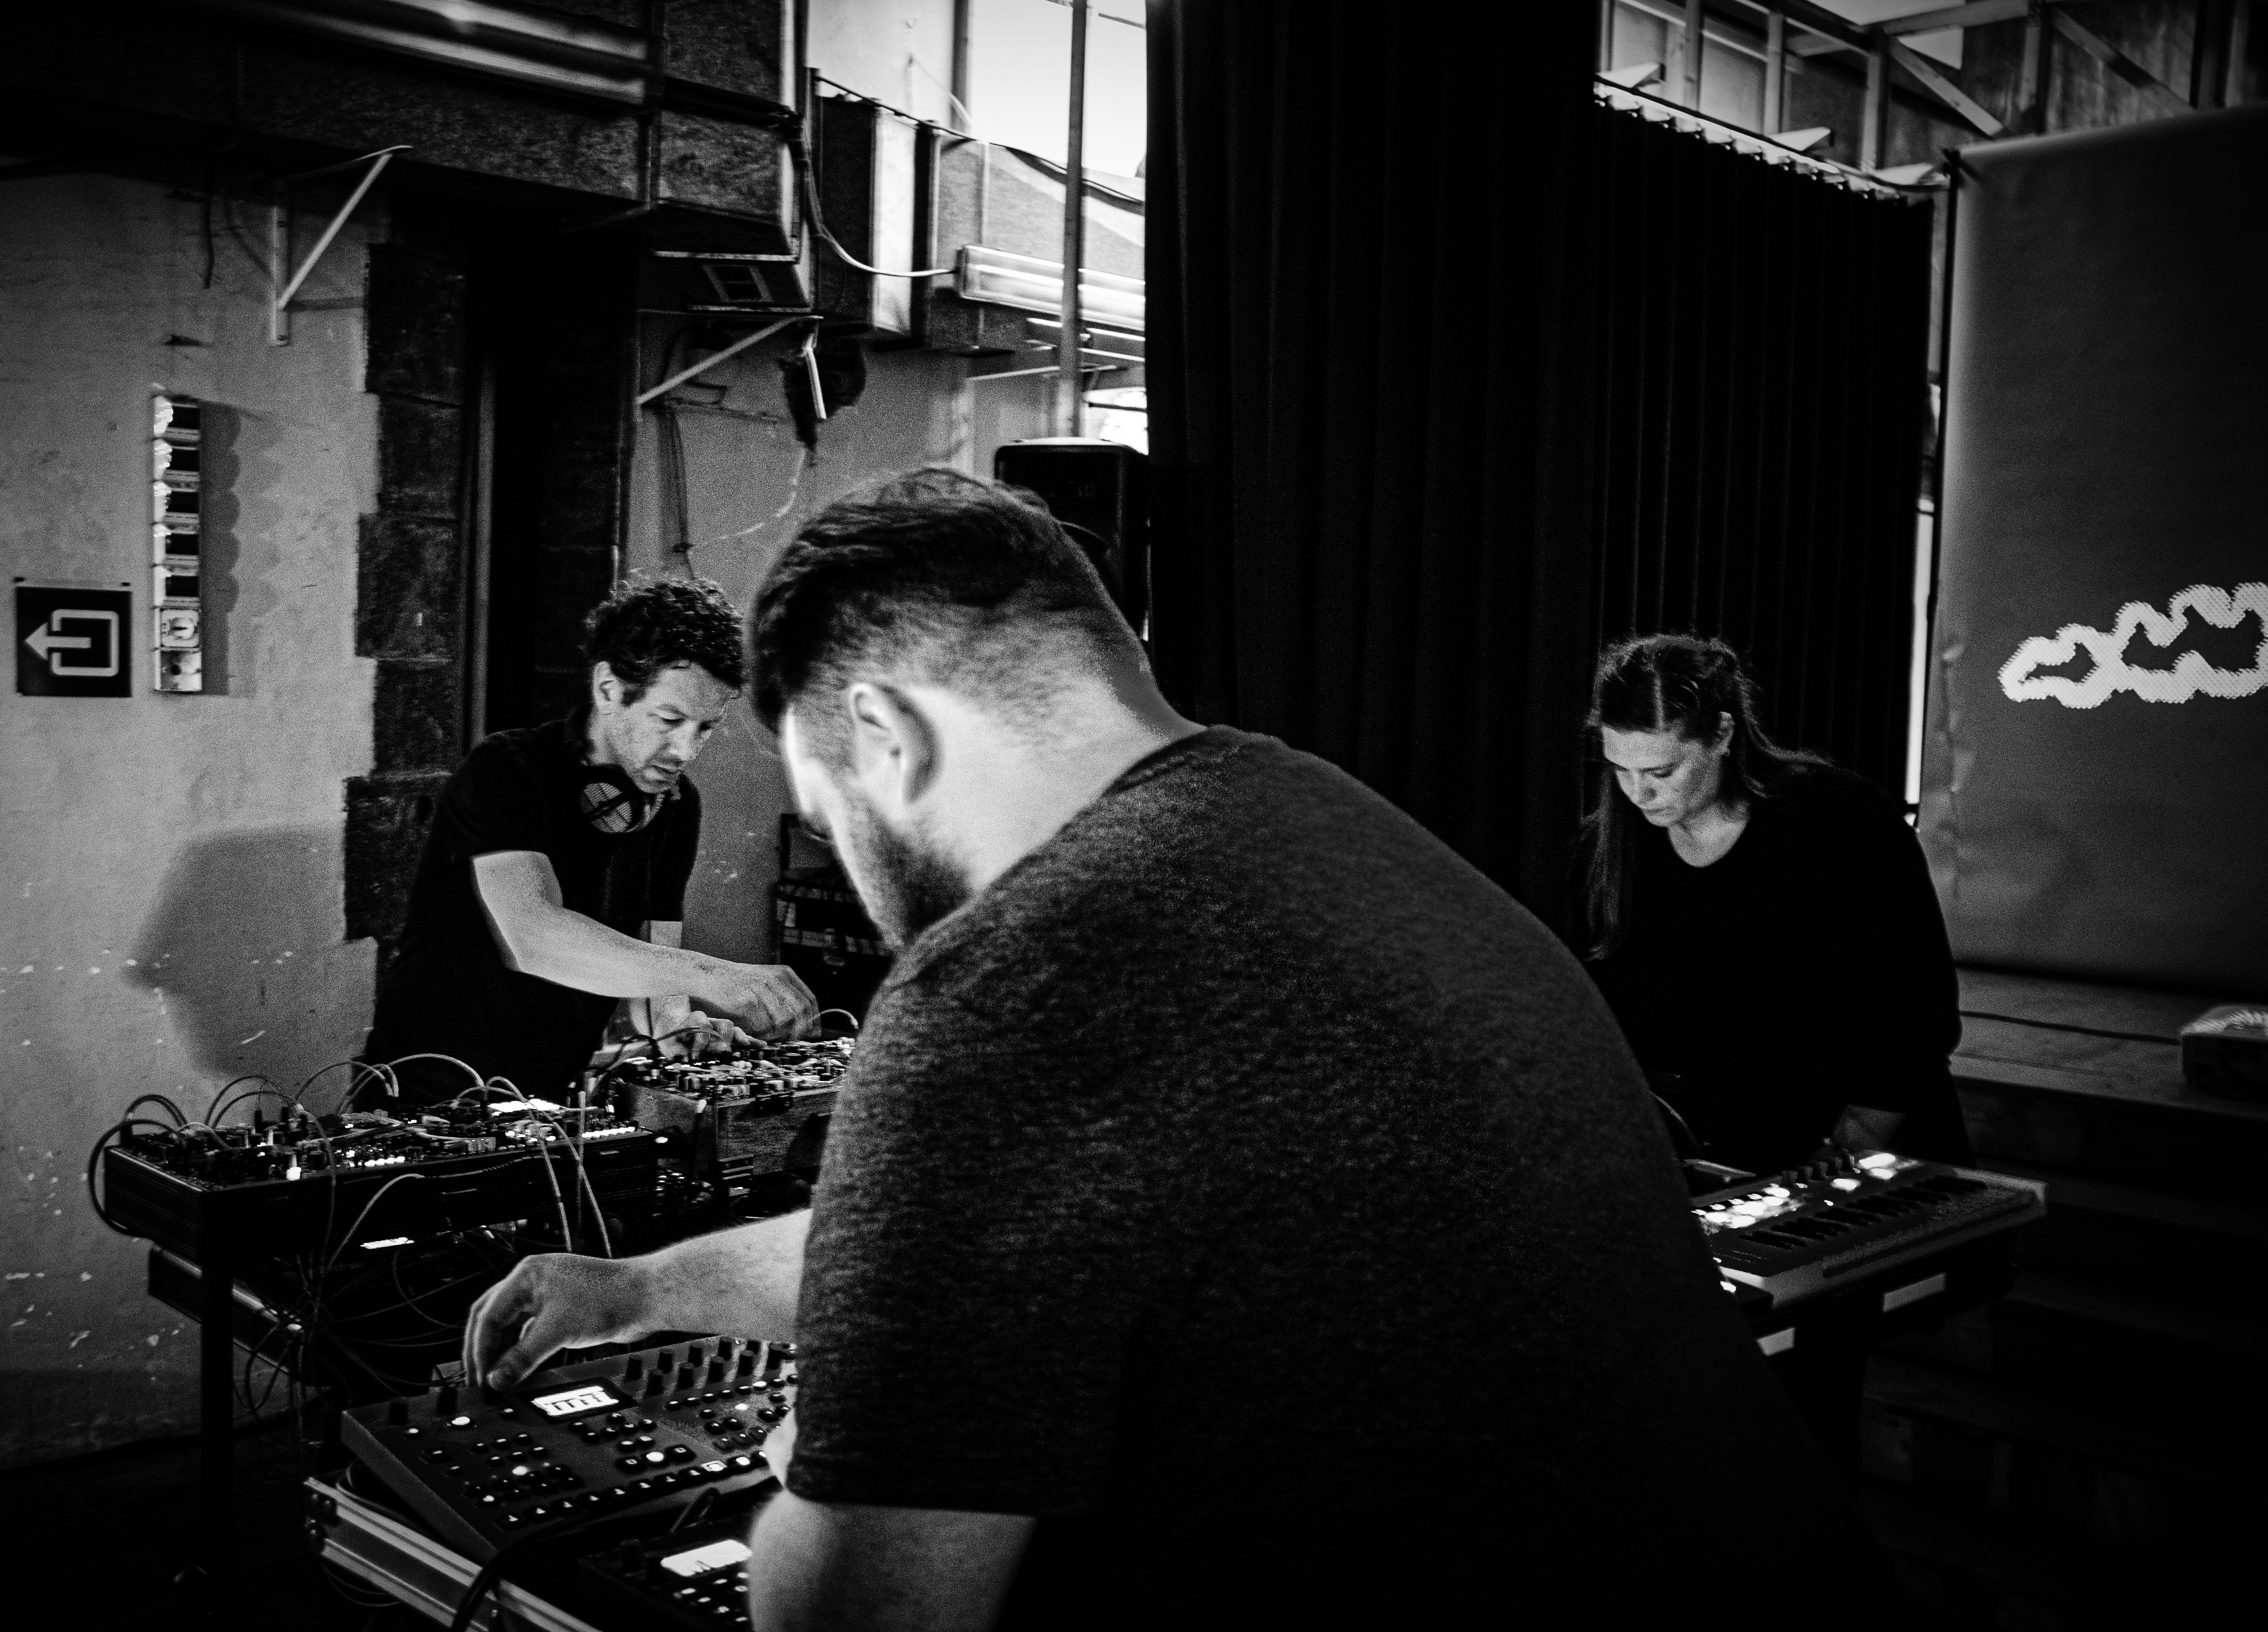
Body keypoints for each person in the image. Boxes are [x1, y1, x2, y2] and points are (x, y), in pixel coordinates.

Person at [464, 472, 1869, 1626]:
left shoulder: (1006, 982)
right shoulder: (1327, 830)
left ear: (885, 734)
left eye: (831, 817)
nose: (855, 873)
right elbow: (954, 1242)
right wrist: (642, 1289)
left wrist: (808, 1451)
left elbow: (861, 1612)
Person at [364, 578, 816, 1101]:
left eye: (705, 728)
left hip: (551, 1100)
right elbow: (534, 938)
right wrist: (716, 975)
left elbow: (657, 993)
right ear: (608, 689)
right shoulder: (507, 770)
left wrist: (680, 1028)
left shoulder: (676, 806)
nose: (685, 750)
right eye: (669, 720)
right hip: (429, 1093)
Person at [1579, 633, 1973, 1180]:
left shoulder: (1838, 820)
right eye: (1620, 769)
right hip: (1722, 1157)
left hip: (1863, 1146)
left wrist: (1848, 1147)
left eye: (1661, 772)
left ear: (1721, 735)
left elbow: (1914, 1009)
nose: (1638, 794)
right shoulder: (1607, 851)